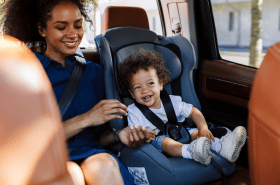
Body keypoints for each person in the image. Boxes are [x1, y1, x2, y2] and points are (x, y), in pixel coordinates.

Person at [1, 0, 157, 185]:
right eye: (61, 27)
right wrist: (88, 118)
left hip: (92, 153)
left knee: (102, 166)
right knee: (71, 176)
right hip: (45, 158)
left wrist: (119, 136)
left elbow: (100, 136)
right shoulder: (25, 71)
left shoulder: (94, 72)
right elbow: (24, 142)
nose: (73, 34)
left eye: (77, 25)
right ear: (42, 29)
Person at [117, 50, 247, 166]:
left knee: (197, 133)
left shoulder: (172, 101)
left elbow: (194, 112)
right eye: (138, 87)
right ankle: (192, 152)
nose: (145, 90)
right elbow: (135, 136)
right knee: (166, 142)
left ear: (161, 84)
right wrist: (144, 136)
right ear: (132, 94)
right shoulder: (133, 112)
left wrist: (203, 128)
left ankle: (223, 148)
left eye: (150, 83)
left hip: (179, 132)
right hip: (155, 143)